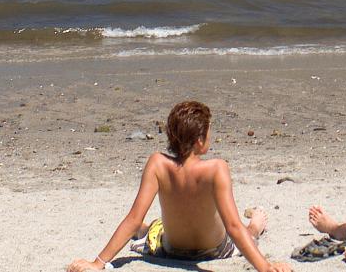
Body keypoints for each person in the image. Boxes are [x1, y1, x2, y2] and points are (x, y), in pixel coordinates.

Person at [67, 99, 290, 272]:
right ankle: (257, 223)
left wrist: (97, 263)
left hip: (171, 250)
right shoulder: (216, 169)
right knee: (246, 230)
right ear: (199, 141)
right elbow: (233, 227)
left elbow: (132, 218)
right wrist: (265, 267)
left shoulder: (157, 164)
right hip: (215, 250)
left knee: (148, 227)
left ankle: (148, 228)